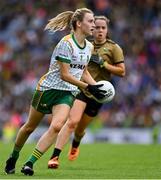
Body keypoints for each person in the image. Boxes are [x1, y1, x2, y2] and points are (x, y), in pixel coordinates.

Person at [5, 8, 106, 176]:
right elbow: (65, 74)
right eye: (90, 21)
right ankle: (13, 157)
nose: (94, 25)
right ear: (79, 24)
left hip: (67, 93)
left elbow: (83, 71)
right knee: (29, 127)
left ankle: (29, 163)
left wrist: (97, 86)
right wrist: (88, 87)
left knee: (57, 126)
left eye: (94, 21)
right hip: (48, 89)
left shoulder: (89, 46)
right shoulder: (66, 44)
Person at [47, 15, 126, 169]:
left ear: (107, 30)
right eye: (96, 27)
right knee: (72, 121)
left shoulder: (114, 48)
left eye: (103, 28)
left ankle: (76, 143)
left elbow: (122, 71)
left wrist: (104, 64)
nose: (99, 30)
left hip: (98, 94)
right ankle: (55, 157)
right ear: (91, 28)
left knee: (80, 129)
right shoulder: (85, 45)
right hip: (82, 88)